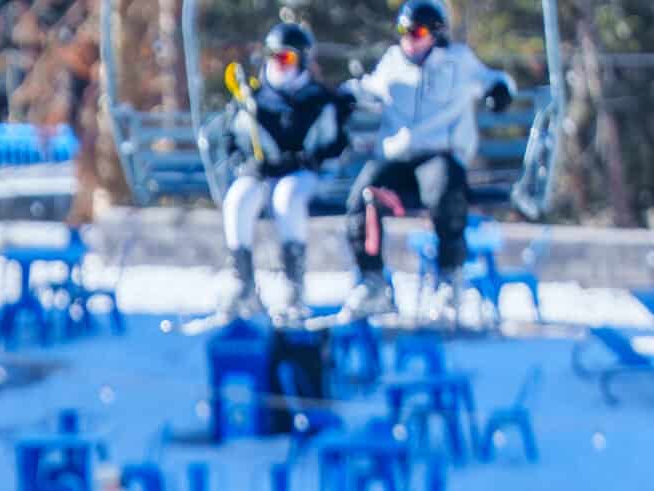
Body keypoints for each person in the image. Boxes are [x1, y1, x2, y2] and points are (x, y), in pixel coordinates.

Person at [338, 1, 516, 322]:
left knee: (445, 191)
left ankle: (449, 278)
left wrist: (500, 90)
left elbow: (493, 79)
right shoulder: (393, 62)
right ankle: (373, 281)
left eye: (417, 31)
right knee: (362, 196)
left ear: (435, 34)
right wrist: (349, 95)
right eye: (403, 31)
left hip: (439, 154)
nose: (409, 38)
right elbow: (370, 88)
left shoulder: (457, 62)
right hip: (398, 156)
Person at [220, 20, 356, 323]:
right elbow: (234, 143)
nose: (279, 65)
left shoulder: (317, 99)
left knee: (286, 197)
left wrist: (306, 159)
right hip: (261, 174)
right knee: (238, 199)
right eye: (274, 57)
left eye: (287, 58)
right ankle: (242, 282)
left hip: (303, 177)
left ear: (302, 60)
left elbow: (333, 145)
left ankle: (293, 282)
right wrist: (249, 161)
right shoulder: (253, 99)